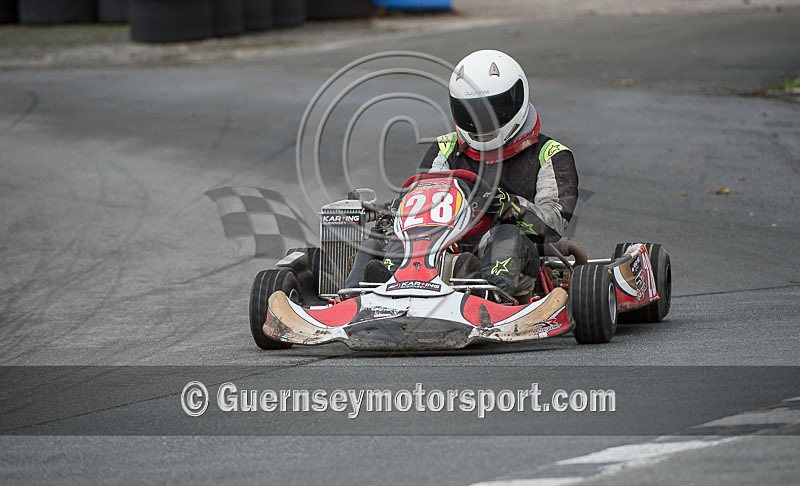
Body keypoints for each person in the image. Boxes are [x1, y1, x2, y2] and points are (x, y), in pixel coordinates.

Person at [347, 49, 579, 297]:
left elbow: (553, 224)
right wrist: (398, 208)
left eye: (493, 109)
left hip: (518, 258)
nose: (481, 121)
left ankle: (489, 294)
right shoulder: (446, 148)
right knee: (388, 235)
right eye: (471, 111)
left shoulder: (549, 153)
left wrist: (510, 206)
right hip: (446, 246)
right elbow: (425, 195)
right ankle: (372, 291)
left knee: (506, 236)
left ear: (516, 100)